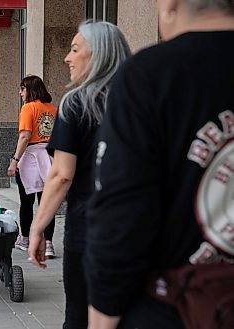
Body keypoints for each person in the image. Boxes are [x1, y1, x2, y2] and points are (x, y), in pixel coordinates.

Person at [84, 1, 234, 328]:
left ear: (170, 4)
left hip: (174, 311)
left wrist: (102, 315)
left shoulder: (149, 75)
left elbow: (121, 216)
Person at [28, 21, 131, 329]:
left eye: (75, 50)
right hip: (138, 229)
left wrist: (38, 228)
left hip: (90, 231)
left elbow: (61, 175)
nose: (66, 58)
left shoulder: (77, 102)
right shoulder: (140, 100)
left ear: (98, 55)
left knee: (79, 316)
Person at [6, 75, 57, 257]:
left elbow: (25, 136)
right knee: (47, 202)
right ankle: (49, 243)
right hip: (50, 157)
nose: (20, 93)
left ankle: (25, 238)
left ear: (29, 90)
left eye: (22, 89)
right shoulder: (53, 109)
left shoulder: (28, 108)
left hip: (31, 156)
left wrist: (15, 160)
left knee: (26, 202)